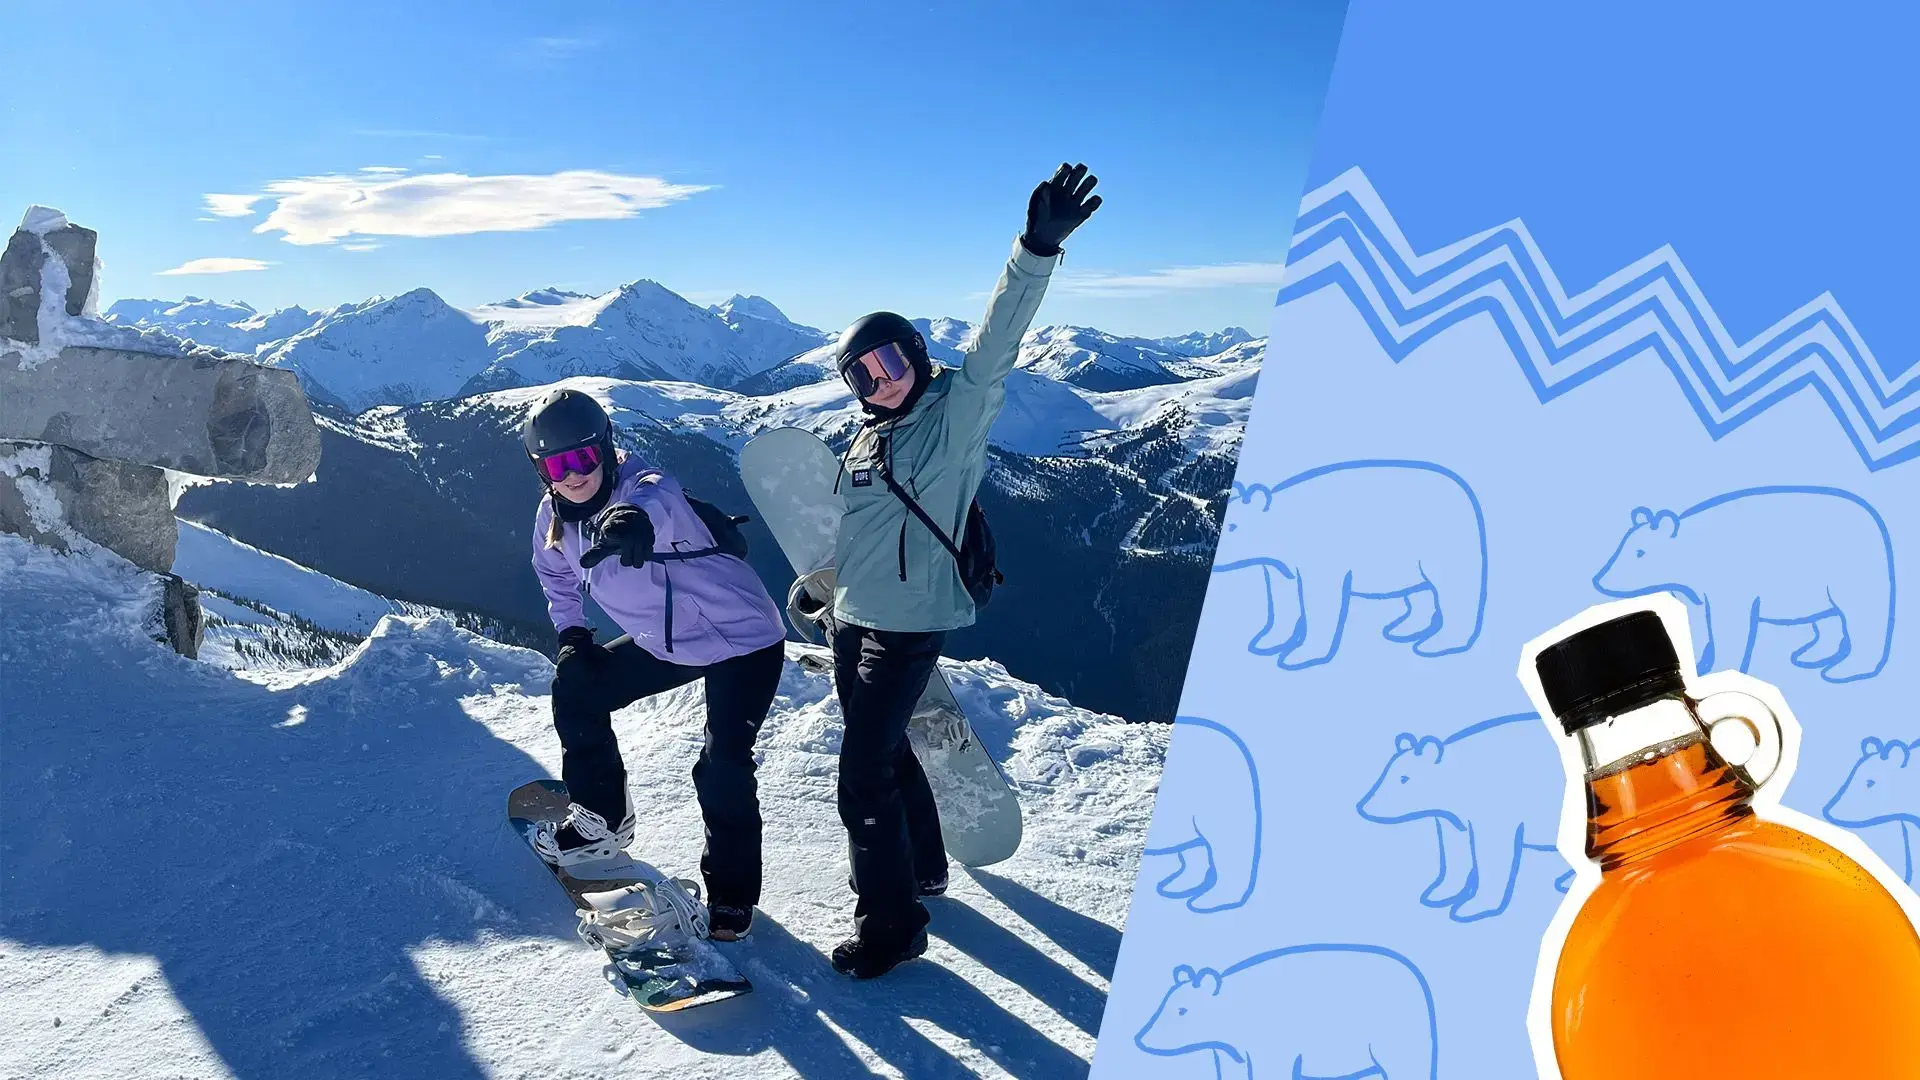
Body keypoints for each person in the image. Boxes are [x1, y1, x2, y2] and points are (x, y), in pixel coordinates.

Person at [823, 162, 1102, 978]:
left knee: (860, 779)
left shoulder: (955, 416)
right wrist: (828, 588)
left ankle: (893, 925)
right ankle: (926, 867)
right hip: (853, 612)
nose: (879, 383)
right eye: (860, 378)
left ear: (914, 354)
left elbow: (995, 347)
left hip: (908, 623)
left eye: (889, 363)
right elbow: (867, 528)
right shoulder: (870, 439)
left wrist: (1033, 250)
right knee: (885, 752)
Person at [523, 387, 788, 942]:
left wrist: (628, 522)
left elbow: (654, 502)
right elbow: (557, 580)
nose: (573, 475)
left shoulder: (646, 490)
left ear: (606, 449)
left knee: (721, 767)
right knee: (577, 690)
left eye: (583, 457)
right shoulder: (553, 516)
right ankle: (601, 820)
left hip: (742, 640)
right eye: (556, 463)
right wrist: (573, 635)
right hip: (667, 642)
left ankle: (731, 900)